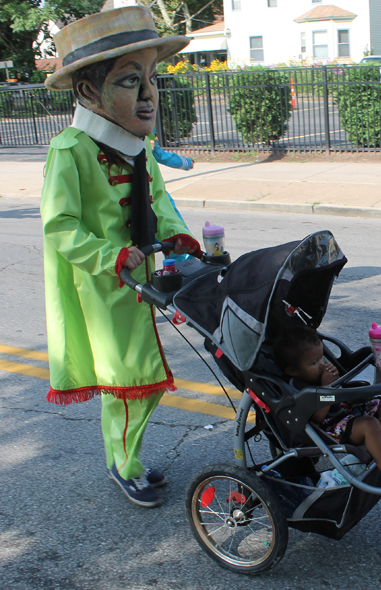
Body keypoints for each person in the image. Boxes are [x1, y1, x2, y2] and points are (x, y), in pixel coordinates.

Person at [41, 6, 201, 508]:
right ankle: (124, 464)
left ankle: (123, 455)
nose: (149, 94)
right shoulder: (71, 150)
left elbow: (157, 201)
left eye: (151, 79)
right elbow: (59, 226)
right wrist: (110, 256)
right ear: (90, 93)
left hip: (145, 279)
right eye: (132, 81)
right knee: (132, 379)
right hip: (104, 285)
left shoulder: (138, 147)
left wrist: (179, 236)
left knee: (141, 377)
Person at [273, 326, 381, 488]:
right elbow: (317, 417)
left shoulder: (320, 373)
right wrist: (327, 386)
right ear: (293, 371)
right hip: (332, 427)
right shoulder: (298, 386)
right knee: (370, 425)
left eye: (322, 358)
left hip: (348, 412)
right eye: (314, 362)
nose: (323, 364)